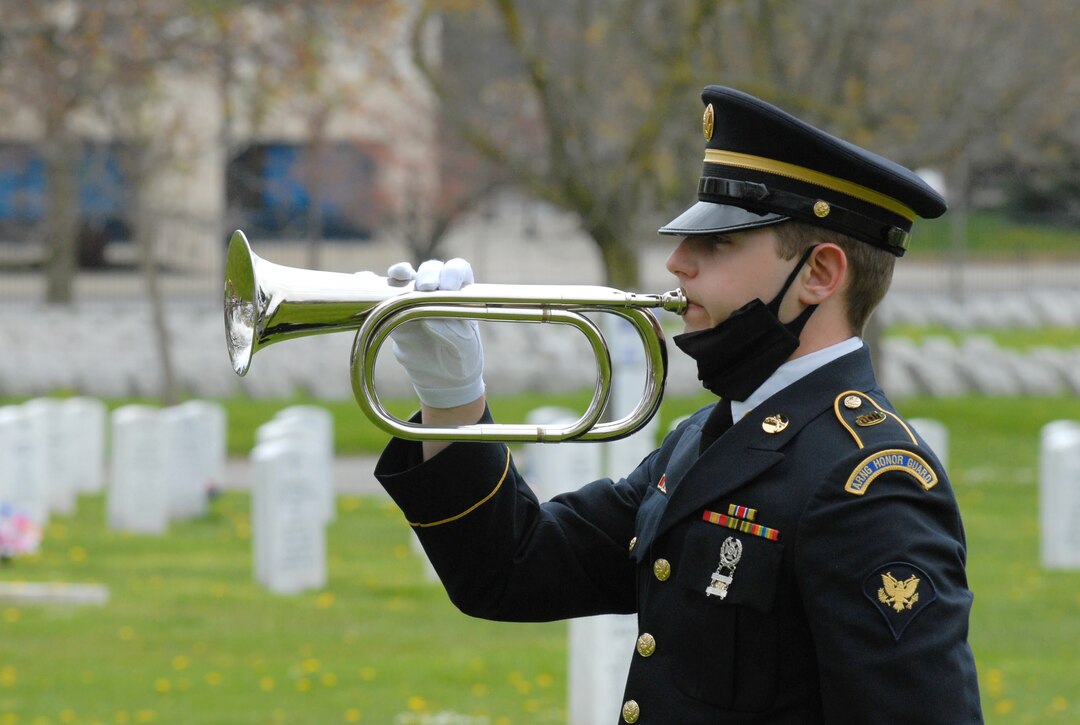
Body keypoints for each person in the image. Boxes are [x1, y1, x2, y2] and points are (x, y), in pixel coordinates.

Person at [374, 86, 983, 723]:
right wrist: (452, 399)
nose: (676, 262)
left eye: (718, 245)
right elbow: (511, 568)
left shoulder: (870, 484)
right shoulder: (712, 436)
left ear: (819, 275)